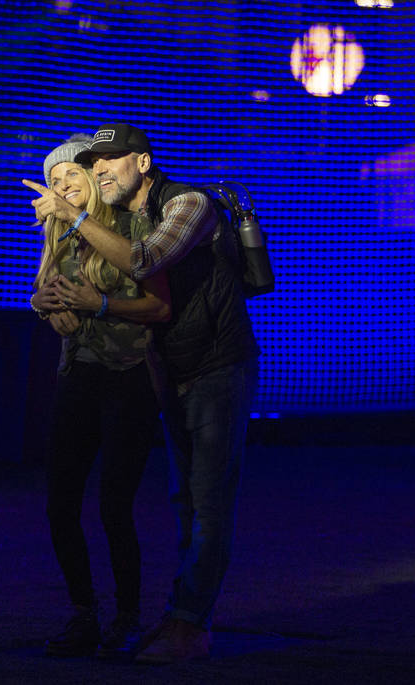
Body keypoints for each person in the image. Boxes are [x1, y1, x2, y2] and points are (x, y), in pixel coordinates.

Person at [24, 123, 260, 663]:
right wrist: (53, 303)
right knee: (185, 500)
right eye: (95, 162)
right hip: (168, 369)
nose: (100, 168)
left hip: (216, 367)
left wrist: (78, 228)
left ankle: (190, 625)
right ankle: (179, 613)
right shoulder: (123, 218)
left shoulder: (189, 204)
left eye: (113, 160)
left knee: (208, 502)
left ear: (144, 164)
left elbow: (146, 263)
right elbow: (59, 283)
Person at [27, 134, 171, 659]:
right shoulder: (59, 231)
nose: (62, 186)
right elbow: (49, 292)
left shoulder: (131, 227)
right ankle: (83, 612)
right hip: (79, 374)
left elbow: (155, 299)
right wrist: (44, 305)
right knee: (59, 503)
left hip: (128, 377)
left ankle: (127, 619)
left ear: (90, 180)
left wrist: (100, 303)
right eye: (55, 179)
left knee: (115, 506)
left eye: (72, 176)